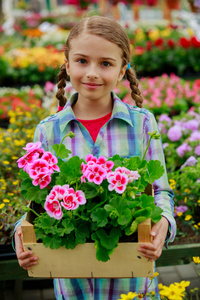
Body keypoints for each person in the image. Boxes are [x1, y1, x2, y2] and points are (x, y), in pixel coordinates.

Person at [14, 15, 176, 300]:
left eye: (105, 63)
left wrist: (163, 222)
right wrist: (22, 234)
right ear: (67, 64)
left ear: (123, 69)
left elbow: (161, 191)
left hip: (133, 282)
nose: (91, 73)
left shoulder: (142, 125)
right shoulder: (49, 130)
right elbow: (36, 205)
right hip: (73, 283)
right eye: (81, 61)